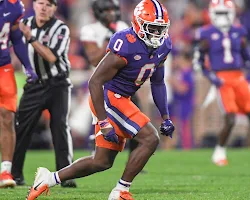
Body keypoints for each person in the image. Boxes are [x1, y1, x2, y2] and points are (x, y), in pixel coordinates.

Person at [26, 0, 175, 199]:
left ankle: (48, 178)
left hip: (123, 98)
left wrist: (165, 116)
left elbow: (158, 82)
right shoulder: (126, 44)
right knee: (150, 138)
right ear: (139, 24)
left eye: (160, 29)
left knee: (101, 162)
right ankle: (121, 190)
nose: (157, 34)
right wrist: (104, 121)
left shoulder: (163, 45)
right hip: (108, 97)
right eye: (152, 28)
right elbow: (95, 81)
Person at [11, 0, 76, 188]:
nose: (43, 7)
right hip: (33, 85)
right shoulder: (25, 24)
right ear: (34, 5)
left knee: (60, 128)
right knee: (21, 128)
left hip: (58, 84)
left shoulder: (60, 28)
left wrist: (31, 38)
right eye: (40, 3)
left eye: (48, 4)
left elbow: (51, 57)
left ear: (54, 8)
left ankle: (65, 175)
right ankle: (15, 174)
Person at [80, 0, 142, 161]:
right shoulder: (89, 30)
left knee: (137, 115)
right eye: (107, 10)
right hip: (101, 83)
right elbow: (94, 59)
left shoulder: (122, 26)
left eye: (113, 9)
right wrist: (112, 39)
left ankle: (134, 158)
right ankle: (95, 150)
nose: (111, 13)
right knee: (97, 117)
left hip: (124, 82)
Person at [193, 0, 250, 166]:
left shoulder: (239, 31)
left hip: (239, 77)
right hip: (223, 79)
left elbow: (246, 57)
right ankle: (219, 151)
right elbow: (199, 62)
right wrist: (213, 78)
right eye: (219, 13)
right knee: (230, 117)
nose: (223, 17)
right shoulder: (206, 33)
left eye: (225, 13)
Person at [0, 0, 37, 188]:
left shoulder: (14, 5)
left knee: (7, 116)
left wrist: (28, 66)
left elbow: (15, 36)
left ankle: (5, 170)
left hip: (3, 67)